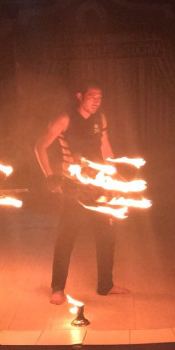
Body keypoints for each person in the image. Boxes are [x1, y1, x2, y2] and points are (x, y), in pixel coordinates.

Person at [34, 83, 130, 305]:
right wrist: (50, 176)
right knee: (66, 238)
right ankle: (57, 288)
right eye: (92, 96)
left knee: (106, 235)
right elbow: (40, 146)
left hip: (98, 187)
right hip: (74, 188)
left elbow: (105, 148)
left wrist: (114, 176)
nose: (97, 101)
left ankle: (105, 285)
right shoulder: (65, 119)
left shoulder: (100, 119)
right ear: (80, 96)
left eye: (100, 97)